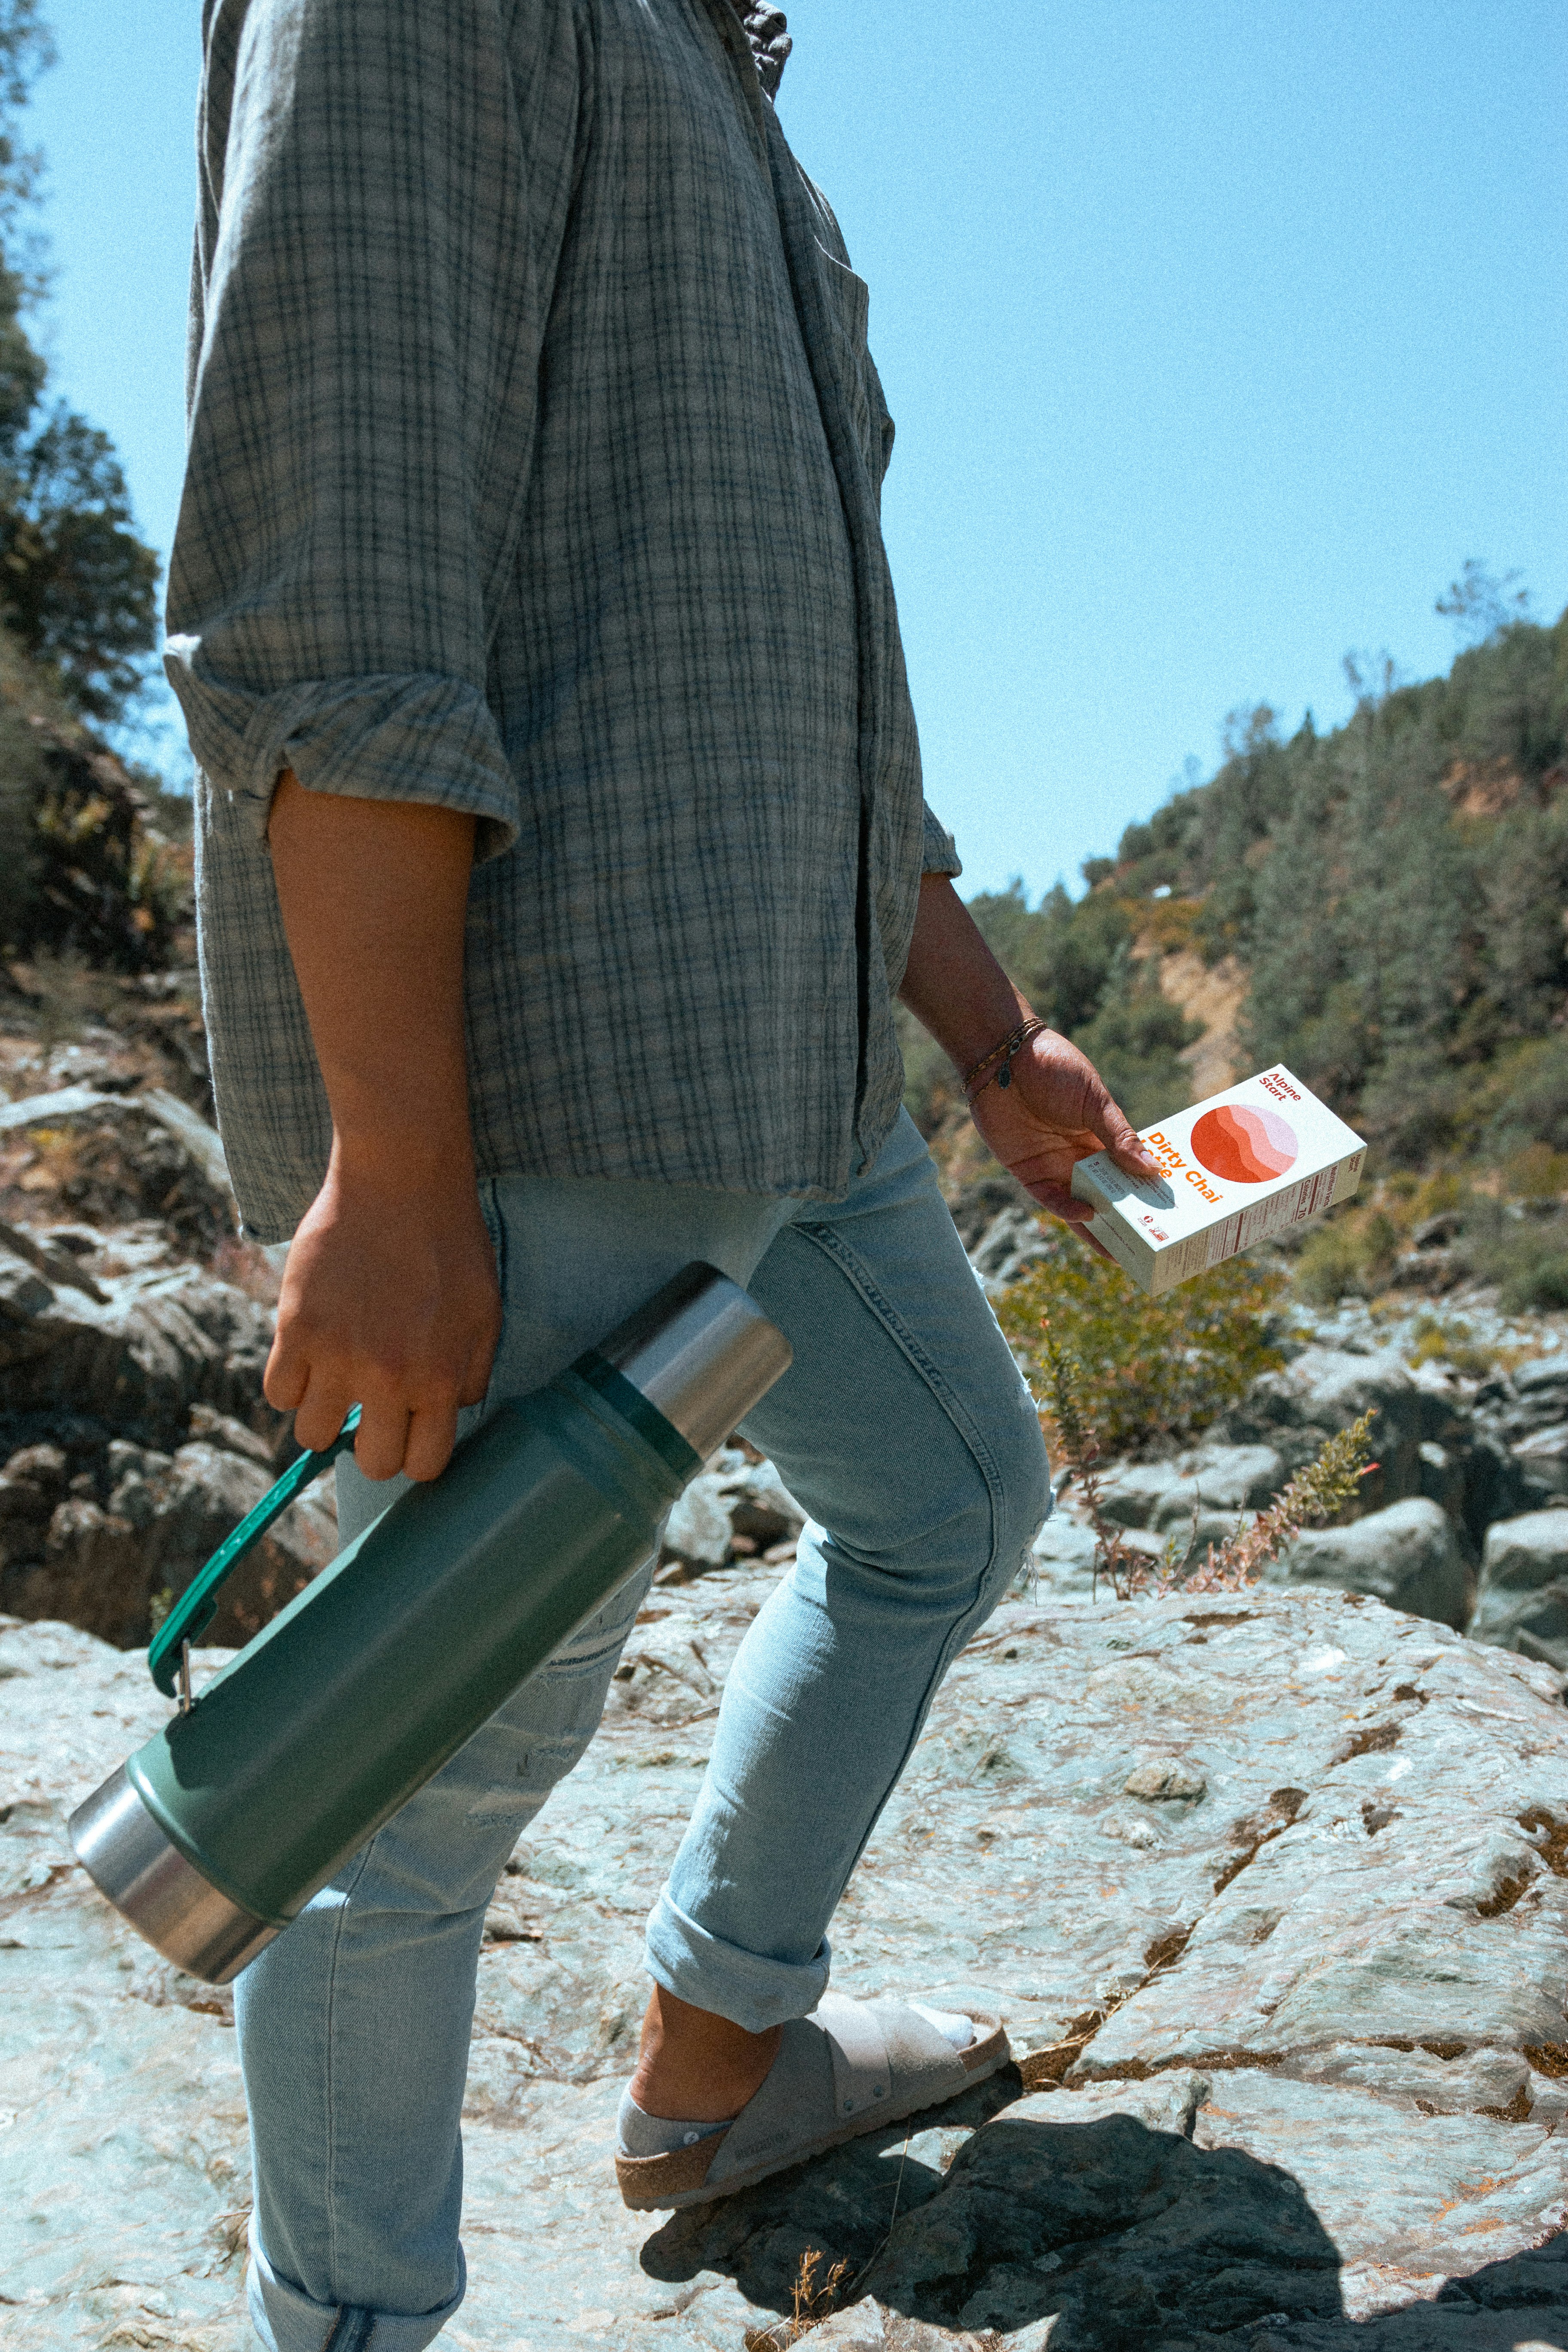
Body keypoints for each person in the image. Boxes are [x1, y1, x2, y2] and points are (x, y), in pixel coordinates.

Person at [165, 2, 1160, 2343]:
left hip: (801, 1077)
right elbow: (335, 592)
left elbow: (823, 698)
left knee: (949, 1500)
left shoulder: (728, 88)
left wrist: (992, 1036)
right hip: (552, 1084)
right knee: (399, 1806)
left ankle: (715, 2074)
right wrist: (397, 1167)